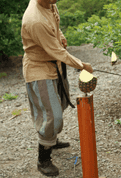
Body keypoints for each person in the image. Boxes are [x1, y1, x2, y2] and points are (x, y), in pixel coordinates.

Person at [21, 0, 93, 176]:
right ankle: (43, 159)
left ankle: (51, 140)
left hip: (54, 66)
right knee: (52, 115)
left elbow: (55, 25)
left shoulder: (50, 4)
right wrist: (82, 65)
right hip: (38, 69)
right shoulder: (35, 19)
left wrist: (60, 36)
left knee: (58, 104)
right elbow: (57, 52)